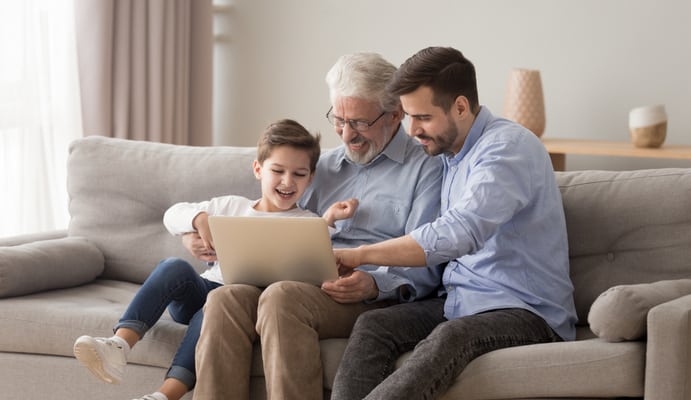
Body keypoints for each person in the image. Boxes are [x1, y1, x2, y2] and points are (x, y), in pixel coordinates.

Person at [189, 52, 444, 400]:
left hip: (368, 297)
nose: (346, 134)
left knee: (283, 298)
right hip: (302, 281)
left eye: (359, 122)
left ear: (396, 114)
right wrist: (208, 240)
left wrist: (373, 284)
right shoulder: (321, 167)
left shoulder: (426, 168)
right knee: (225, 298)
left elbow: (427, 257)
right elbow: (273, 225)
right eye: (338, 120)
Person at [331, 46, 578, 400]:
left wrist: (360, 254)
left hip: (527, 313)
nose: (412, 130)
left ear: (460, 107)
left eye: (422, 117)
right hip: (460, 302)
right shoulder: (450, 155)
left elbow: (458, 232)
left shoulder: (507, 149)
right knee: (374, 325)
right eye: (408, 117)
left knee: (450, 337)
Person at [72, 119, 358, 400]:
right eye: (278, 170)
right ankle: (119, 344)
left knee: (214, 311)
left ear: (310, 178)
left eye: (298, 174)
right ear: (258, 169)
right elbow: (172, 215)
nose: (287, 181)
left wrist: (328, 222)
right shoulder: (230, 206)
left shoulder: (308, 222)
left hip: (242, 307)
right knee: (174, 267)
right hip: (205, 289)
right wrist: (198, 220)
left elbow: (317, 266)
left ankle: (163, 395)